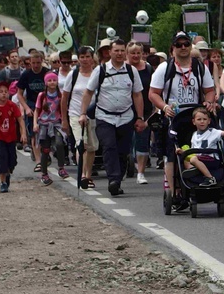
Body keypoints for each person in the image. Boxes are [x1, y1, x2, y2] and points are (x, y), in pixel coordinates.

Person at [148, 32, 217, 195]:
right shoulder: (165, 68)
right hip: (173, 117)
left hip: (194, 117)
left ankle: (197, 182)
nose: (183, 47)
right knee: (171, 154)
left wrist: (208, 101)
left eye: (186, 44)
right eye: (179, 45)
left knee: (194, 151)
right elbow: (153, 93)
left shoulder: (200, 67)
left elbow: (209, 90)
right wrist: (164, 107)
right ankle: (174, 192)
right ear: (173, 48)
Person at [79, 39, 147, 197]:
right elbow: (88, 92)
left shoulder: (131, 71)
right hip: (104, 116)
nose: (119, 53)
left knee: (123, 151)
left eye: (122, 50)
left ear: (125, 52)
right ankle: (113, 180)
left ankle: (118, 179)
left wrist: (140, 117)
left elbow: (137, 95)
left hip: (126, 117)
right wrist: (83, 113)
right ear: (109, 52)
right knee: (109, 147)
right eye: (116, 50)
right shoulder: (101, 70)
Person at [61, 45, 98, 189]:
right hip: (75, 113)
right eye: (82, 57)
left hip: (93, 114)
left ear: (92, 58)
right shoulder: (73, 74)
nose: (85, 60)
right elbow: (64, 98)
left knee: (92, 147)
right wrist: (64, 119)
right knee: (81, 144)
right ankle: (82, 174)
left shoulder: (97, 73)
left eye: (87, 56)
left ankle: (88, 175)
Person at [180, 107, 224, 187]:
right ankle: (194, 169)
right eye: (199, 119)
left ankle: (210, 178)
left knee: (193, 159)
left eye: (204, 119)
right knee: (187, 159)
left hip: (211, 159)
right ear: (194, 122)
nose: (202, 122)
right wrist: (183, 152)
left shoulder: (213, 132)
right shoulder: (194, 135)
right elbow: (193, 150)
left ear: (209, 121)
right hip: (199, 158)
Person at [0, 82, 27, 193]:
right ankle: (3, 182)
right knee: (2, 157)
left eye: (6, 92)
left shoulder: (12, 105)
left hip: (11, 137)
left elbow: (20, 119)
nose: (3, 94)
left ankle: (8, 171)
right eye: (1, 92)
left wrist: (23, 133)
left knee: (12, 160)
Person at [126, 41, 154, 184]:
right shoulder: (123, 68)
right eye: (133, 53)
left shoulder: (148, 68)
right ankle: (128, 162)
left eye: (139, 53)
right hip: (125, 109)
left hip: (145, 109)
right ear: (127, 54)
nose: (136, 56)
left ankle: (141, 173)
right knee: (127, 141)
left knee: (143, 140)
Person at [33, 72, 68, 185]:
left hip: (56, 123)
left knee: (59, 143)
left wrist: (64, 122)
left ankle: (61, 167)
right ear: (46, 83)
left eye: (54, 80)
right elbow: (37, 111)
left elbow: (62, 110)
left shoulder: (60, 95)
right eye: (50, 80)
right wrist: (35, 124)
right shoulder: (42, 95)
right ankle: (44, 174)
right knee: (45, 149)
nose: (52, 82)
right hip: (43, 124)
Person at [16, 49, 49, 163]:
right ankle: (38, 160)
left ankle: (45, 152)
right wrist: (26, 108)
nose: (35, 65)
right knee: (34, 133)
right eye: (33, 63)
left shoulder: (47, 73)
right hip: (31, 104)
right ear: (30, 62)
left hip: (46, 106)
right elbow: (19, 94)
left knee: (47, 133)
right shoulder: (26, 74)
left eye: (38, 63)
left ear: (42, 61)